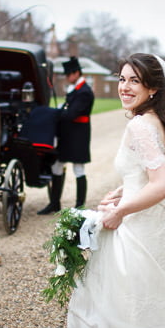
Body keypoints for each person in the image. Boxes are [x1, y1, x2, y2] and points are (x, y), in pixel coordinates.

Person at [67, 53, 165, 328]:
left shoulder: (139, 125)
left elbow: (163, 184)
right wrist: (125, 191)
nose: (125, 87)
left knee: (131, 310)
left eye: (135, 81)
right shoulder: (159, 119)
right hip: (161, 228)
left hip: (140, 231)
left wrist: (119, 211)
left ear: (153, 88)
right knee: (153, 307)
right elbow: (152, 172)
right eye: (122, 79)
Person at [37, 57, 94, 215]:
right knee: (57, 166)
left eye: (69, 75)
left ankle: (79, 206)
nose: (67, 78)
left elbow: (72, 113)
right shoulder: (76, 89)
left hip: (78, 136)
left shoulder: (84, 92)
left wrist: (56, 113)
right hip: (67, 134)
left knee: (78, 169)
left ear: (76, 73)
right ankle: (54, 203)